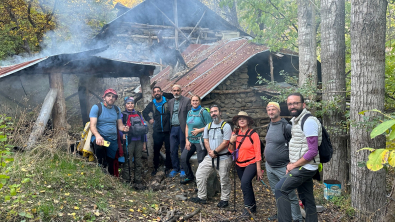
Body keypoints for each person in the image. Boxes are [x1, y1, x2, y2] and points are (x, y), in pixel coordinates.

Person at [275, 92, 321, 222]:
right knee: (307, 199)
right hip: (303, 165)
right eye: (290, 104)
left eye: (296, 103)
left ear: (303, 104)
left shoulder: (308, 122)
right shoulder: (297, 120)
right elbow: (300, 146)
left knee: (280, 189)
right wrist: (292, 162)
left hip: (305, 166)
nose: (292, 106)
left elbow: (312, 151)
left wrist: (293, 165)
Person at [265, 102, 303, 222]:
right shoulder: (269, 125)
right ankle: (282, 214)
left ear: (279, 111)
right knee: (277, 192)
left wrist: (291, 163)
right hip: (270, 167)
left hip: (283, 167)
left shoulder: (286, 126)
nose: (271, 112)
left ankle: (297, 218)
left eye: (273, 109)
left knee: (290, 194)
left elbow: (295, 145)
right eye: (269, 110)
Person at [189, 105, 232, 208]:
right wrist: (210, 151)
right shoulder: (208, 126)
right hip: (210, 157)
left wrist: (215, 152)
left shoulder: (226, 126)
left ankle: (224, 199)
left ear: (220, 112)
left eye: (215, 111)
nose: (213, 113)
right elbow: (205, 140)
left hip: (223, 157)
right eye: (212, 112)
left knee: (224, 179)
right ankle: (202, 197)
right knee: (200, 174)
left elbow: (226, 142)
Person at [229, 111, 263, 216]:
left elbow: (258, 152)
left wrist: (258, 169)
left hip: (251, 163)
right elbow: (231, 151)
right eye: (240, 119)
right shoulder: (235, 133)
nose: (242, 120)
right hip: (239, 164)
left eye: (244, 118)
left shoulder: (253, 134)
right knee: (246, 185)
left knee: (244, 183)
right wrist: (231, 140)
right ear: (237, 122)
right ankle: (252, 207)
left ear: (248, 121)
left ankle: (247, 208)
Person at [89, 88, 129, 176]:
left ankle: (111, 180)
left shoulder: (116, 109)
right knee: (102, 160)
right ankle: (100, 176)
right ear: (104, 97)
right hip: (101, 137)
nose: (111, 98)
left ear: (115, 99)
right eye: (108, 96)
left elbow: (120, 126)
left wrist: (125, 128)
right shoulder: (96, 107)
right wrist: (97, 136)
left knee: (111, 162)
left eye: (113, 96)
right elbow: (92, 125)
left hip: (113, 140)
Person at [180, 95, 211, 184]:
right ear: (191, 102)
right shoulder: (189, 112)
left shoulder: (203, 112)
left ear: (199, 101)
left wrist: (199, 130)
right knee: (183, 158)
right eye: (193, 101)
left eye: (196, 100)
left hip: (200, 141)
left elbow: (210, 125)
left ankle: (201, 182)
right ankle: (190, 177)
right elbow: (187, 127)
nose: (195, 102)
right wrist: (187, 140)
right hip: (190, 141)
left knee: (200, 161)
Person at [142, 86, 172, 176]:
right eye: (154, 92)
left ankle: (168, 167)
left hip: (167, 130)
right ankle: (155, 168)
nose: (156, 93)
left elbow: (173, 96)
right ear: (153, 94)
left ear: (161, 93)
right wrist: (149, 119)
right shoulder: (152, 104)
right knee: (156, 150)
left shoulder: (168, 101)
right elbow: (144, 112)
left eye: (158, 91)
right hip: (157, 131)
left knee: (169, 150)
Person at [120, 96, 147, 188]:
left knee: (138, 161)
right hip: (129, 141)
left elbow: (144, 129)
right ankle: (127, 180)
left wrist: (144, 143)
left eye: (131, 103)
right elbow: (119, 128)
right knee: (128, 162)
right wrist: (122, 136)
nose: (130, 105)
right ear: (125, 105)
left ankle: (138, 181)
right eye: (128, 103)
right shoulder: (122, 115)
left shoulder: (139, 114)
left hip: (139, 141)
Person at [168, 85, 191, 178]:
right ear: (172, 91)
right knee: (172, 149)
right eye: (174, 91)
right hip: (173, 128)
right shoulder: (170, 102)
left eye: (178, 90)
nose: (176, 92)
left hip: (182, 128)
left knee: (183, 149)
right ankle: (175, 168)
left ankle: (183, 169)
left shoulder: (187, 100)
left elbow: (189, 116)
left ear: (181, 91)